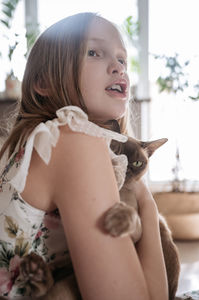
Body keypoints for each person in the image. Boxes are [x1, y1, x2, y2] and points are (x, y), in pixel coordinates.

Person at [0, 12, 168, 300]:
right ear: (44, 82)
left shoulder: (36, 141)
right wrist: (148, 207)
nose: (118, 67)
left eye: (122, 59)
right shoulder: (73, 138)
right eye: (94, 52)